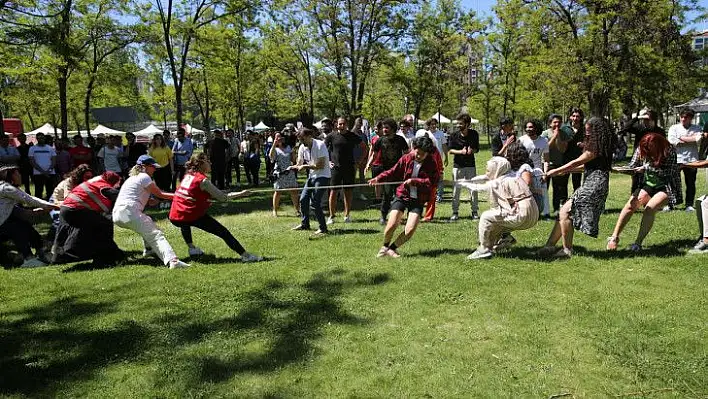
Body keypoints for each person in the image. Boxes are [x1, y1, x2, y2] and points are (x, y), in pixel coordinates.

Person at [538, 117, 617, 258]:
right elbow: (585, 166)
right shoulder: (599, 144)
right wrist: (565, 171)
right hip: (592, 182)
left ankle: (567, 250)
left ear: (596, 131)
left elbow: (577, 162)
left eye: (589, 131)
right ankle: (549, 246)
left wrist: (555, 171)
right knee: (564, 212)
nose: (586, 133)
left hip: (594, 185)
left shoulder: (596, 146)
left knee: (565, 212)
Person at [168, 153, 263, 262]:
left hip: (175, 214)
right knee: (223, 232)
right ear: (201, 163)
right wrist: (241, 193)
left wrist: (220, 193)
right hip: (189, 214)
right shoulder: (203, 181)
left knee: (184, 224)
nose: (210, 163)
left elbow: (199, 193)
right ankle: (246, 256)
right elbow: (223, 198)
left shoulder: (188, 175)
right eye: (208, 161)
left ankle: (192, 249)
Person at [606, 133, 682, 252]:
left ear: (657, 145)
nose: (646, 151)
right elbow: (633, 167)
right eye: (644, 148)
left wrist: (646, 168)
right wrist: (621, 170)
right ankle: (614, 238)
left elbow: (669, 173)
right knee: (630, 205)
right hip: (648, 184)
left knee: (649, 209)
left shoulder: (670, 150)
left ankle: (638, 243)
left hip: (667, 186)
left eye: (650, 148)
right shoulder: (641, 148)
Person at [112, 155, 189, 269]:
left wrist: (156, 200)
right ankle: (173, 261)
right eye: (153, 166)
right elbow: (160, 194)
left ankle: (149, 250)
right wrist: (180, 196)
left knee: (147, 223)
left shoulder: (132, 178)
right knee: (156, 235)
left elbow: (151, 201)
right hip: (130, 212)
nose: (155, 169)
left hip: (118, 215)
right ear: (144, 166)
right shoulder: (144, 177)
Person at [369, 136, 440, 258]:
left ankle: (392, 248)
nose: (418, 156)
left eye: (422, 154)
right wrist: (378, 178)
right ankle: (385, 246)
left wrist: (414, 181)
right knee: (391, 225)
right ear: (414, 148)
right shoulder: (406, 158)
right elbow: (393, 171)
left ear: (428, 153)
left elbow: (432, 182)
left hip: (418, 199)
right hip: (403, 195)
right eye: (417, 153)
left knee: (410, 229)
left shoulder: (431, 163)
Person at [464, 157, 539, 260]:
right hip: (534, 213)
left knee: (486, 217)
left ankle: (484, 249)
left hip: (522, 213)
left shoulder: (498, 183)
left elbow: (495, 206)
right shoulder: (512, 176)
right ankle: (505, 240)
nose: (487, 172)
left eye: (489, 170)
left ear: (497, 169)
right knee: (496, 221)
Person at [54, 171, 124, 266]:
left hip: (66, 209)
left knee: (93, 228)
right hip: (76, 210)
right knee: (104, 225)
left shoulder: (94, 182)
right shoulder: (104, 185)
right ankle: (105, 258)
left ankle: (60, 257)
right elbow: (119, 196)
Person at [0, 165, 58, 267]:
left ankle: (41, 251)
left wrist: (38, 210)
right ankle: (28, 258)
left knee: (24, 225)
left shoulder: (7, 187)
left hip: (4, 223)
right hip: (3, 226)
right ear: (10, 176)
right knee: (18, 227)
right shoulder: (6, 188)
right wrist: (51, 205)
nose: (21, 176)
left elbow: (15, 210)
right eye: (18, 174)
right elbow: (29, 200)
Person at [365, 118, 409, 225]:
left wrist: (408, 167)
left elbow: (407, 154)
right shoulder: (380, 140)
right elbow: (374, 155)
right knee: (387, 195)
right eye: (383, 127)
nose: (384, 130)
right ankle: (383, 217)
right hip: (386, 172)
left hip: (399, 172)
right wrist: (368, 164)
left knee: (400, 195)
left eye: (386, 128)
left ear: (393, 129)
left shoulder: (400, 140)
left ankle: (399, 216)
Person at [290, 127, 331, 238]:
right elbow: (300, 162)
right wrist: (294, 167)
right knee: (303, 199)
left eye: (302, 139)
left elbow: (321, 165)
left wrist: (305, 166)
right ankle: (305, 224)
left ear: (309, 136)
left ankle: (323, 228)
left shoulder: (320, 145)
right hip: (312, 176)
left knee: (315, 202)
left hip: (323, 176)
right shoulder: (303, 147)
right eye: (299, 140)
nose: (301, 142)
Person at [325, 117, 363, 224]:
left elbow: (365, 147)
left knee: (348, 193)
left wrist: (359, 161)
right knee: (333, 192)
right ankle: (331, 216)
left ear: (347, 124)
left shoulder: (352, 136)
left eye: (344, 124)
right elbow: (323, 149)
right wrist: (328, 161)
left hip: (349, 168)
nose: (341, 126)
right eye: (340, 124)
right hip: (335, 168)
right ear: (336, 124)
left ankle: (347, 215)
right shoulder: (331, 136)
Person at [668, 108, 702, 212]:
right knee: (672, 183)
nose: (683, 119)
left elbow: (698, 140)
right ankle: (670, 204)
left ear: (691, 118)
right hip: (676, 159)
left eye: (686, 117)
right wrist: (690, 139)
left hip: (692, 159)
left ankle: (689, 204)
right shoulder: (674, 128)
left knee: (691, 183)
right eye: (681, 117)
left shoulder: (697, 128)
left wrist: (682, 138)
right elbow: (672, 140)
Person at [448, 113, 480, 221]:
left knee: (473, 189)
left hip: (471, 166)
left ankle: (474, 212)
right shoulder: (453, 135)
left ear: (467, 124)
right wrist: (461, 152)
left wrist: (472, 151)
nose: (458, 126)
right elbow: (450, 150)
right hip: (458, 167)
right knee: (456, 190)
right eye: (458, 124)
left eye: (460, 124)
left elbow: (477, 149)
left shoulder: (474, 134)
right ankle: (455, 212)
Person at [541, 114, 574, 215]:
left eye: (559, 122)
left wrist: (558, 136)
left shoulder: (564, 134)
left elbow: (562, 149)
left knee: (557, 188)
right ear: (550, 123)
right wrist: (554, 136)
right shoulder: (545, 133)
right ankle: (543, 210)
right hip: (546, 164)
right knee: (544, 187)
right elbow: (546, 148)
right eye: (555, 122)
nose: (557, 124)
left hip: (558, 164)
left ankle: (556, 209)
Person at [518, 119, 550, 218]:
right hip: (524, 169)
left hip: (537, 170)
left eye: (531, 127)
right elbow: (517, 156)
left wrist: (545, 173)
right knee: (524, 191)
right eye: (527, 127)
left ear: (536, 128)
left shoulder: (544, 141)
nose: (528, 129)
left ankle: (545, 214)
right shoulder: (521, 140)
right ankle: (524, 212)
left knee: (542, 192)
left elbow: (546, 160)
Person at [269, 132, 300, 217]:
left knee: (294, 191)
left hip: (289, 172)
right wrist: (274, 145)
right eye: (276, 137)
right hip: (280, 173)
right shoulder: (275, 149)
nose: (279, 138)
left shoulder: (288, 147)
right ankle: (275, 211)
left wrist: (293, 153)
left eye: (280, 137)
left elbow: (293, 159)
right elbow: (271, 157)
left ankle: (297, 210)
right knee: (278, 192)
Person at [414, 129, 443, 222]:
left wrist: (440, 172)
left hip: (432, 177)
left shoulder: (434, 150)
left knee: (431, 197)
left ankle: (428, 216)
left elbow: (439, 162)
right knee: (419, 196)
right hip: (420, 176)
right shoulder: (416, 150)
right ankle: (416, 214)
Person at [423, 118, 448, 202]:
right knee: (429, 178)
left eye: (435, 124)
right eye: (432, 124)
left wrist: (446, 157)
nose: (433, 126)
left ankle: (440, 195)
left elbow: (444, 145)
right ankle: (430, 194)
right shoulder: (426, 134)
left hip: (439, 160)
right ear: (428, 125)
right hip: (429, 161)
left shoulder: (441, 133)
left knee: (440, 177)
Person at [28, 132, 56, 200]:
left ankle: (51, 206)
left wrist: (49, 170)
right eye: (39, 138)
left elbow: (54, 161)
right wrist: (43, 172)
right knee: (38, 191)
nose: (41, 139)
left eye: (42, 137)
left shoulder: (50, 148)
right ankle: (38, 207)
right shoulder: (32, 148)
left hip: (50, 173)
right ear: (37, 139)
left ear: (45, 138)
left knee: (50, 191)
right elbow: (32, 162)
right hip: (38, 173)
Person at [564, 107, 586, 191]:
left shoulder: (584, 129)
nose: (575, 118)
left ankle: (576, 201)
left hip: (579, 159)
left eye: (577, 116)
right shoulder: (564, 128)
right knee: (564, 182)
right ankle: (563, 202)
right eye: (573, 116)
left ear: (581, 117)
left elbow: (589, 142)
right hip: (566, 159)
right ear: (570, 117)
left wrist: (584, 144)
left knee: (577, 183)